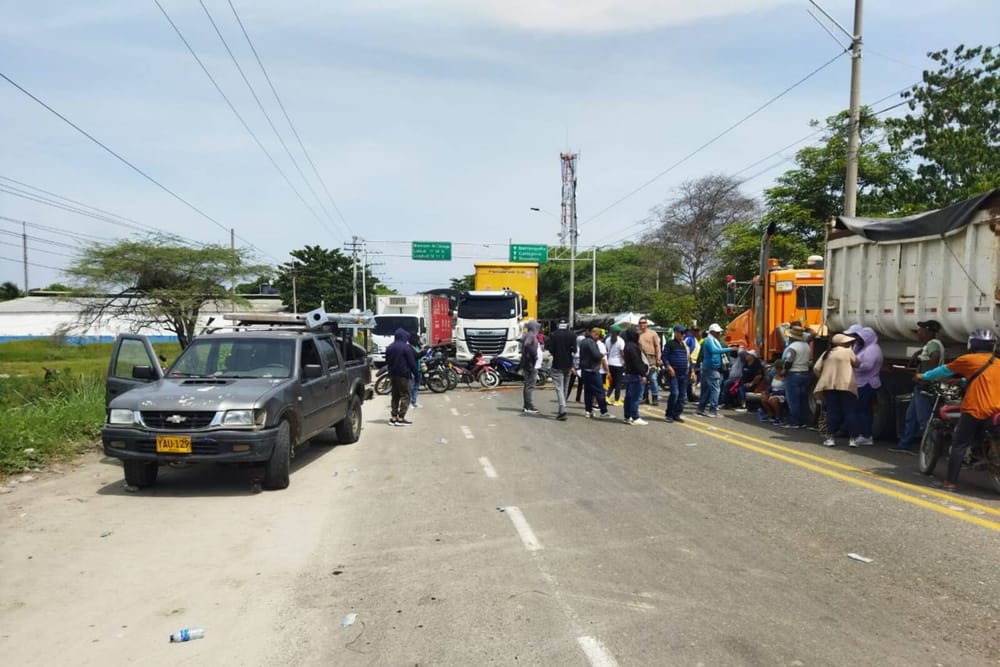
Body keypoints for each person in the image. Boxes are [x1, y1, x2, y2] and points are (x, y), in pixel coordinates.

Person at [917, 329, 1000, 491]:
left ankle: (951, 482)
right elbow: (985, 379)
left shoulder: (968, 360)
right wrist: (962, 380)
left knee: (959, 445)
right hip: (995, 410)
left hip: (975, 410)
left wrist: (923, 376)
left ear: (972, 344)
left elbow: (943, 371)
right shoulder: (997, 362)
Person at [891, 320, 945, 454]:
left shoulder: (933, 345)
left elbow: (935, 357)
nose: (918, 333)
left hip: (925, 386)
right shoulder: (931, 344)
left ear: (928, 332)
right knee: (911, 417)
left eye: (921, 330)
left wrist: (926, 375)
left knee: (924, 419)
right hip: (921, 387)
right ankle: (904, 444)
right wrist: (918, 353)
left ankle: (930, 449)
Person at [812, 333, 860, 447]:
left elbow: (816, 368)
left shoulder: (827, 353)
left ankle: (830, 438)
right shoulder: (848, 352)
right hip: (846, 386)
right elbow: (857, 364)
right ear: (843, 343)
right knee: (850, 412)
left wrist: (824, 376)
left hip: (830, 386)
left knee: (832, 412)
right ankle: (852, 439)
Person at [845, 325, 883, 445]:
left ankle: (865, 435)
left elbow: (867, 366)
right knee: (862, 409)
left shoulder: (872, 349)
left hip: (867, 383)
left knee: (862, 409)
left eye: (858, 336)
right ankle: (863, 434)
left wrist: (854, 365)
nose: (856, 339)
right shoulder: (862, 347)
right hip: (860, 382)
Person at [697, 323, 738, 418]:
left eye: (719, 332)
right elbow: (714, 350)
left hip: (710, 367)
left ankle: (701, 408)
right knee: (716, 389)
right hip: (711, 368)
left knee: (707, 389)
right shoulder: (709, 340)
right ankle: (713, 410)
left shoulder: (713, 340)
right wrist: (730, 349)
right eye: (717, 332)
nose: (719, 334)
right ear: (712, 332)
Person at [781, 323, 812, 429]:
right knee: (803, 399)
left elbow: (789, 361)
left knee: (793, 399)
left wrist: (784, 371)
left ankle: (795, 421)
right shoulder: (806, 346)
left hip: (794, 374)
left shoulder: (793, 347)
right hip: (805, 372)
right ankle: (804, 421)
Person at [545, 318, 576, 421]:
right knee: (565, 388)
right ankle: (562, 408)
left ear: (558, 324)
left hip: (557, 364)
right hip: (568, 364)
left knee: (559, 388)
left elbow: (550, 349)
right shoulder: (572, 335)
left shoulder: (553, 335)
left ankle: (562, 410)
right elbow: (575, 350)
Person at [385, 327, 418, 426]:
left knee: (395, 396)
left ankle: (393, 417)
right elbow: (411, 363)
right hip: (404, 375)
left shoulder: (389, 347)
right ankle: (401, 417)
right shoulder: (406, 348)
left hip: (393, 375)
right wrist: (416, 374)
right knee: (406, 395)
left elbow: (387, 362)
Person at [579, 326, 614, 419]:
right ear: (595, 334)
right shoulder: (591, 342)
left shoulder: (583, 341)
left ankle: (588, 410)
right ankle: (604, 411)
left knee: (588, 392)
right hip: (593, 370)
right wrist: (602, 354)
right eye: (599, 336)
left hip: (585, 370)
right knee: (600, 391)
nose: (599, 338)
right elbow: (596, 355)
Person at [663, 324, 692, 423]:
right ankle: (669, 414)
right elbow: (664, 357)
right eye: (681, 333)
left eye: (684, 333)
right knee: (674, 394)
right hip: (674, 374)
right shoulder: (670, 344)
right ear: (676, 333)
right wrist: (669, 367)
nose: (683, 335)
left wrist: (692, 371)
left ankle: (677, 414)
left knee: (682, 396)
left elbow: (689, 359)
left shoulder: (684, 345)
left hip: (684, 374)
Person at [622, 327, 649, 424]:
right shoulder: (633, 347)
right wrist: (643, 375)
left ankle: (627, 416)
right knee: (635, 397)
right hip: (635, 375)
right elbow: (637, 362)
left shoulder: (627, 345)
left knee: (628, 397)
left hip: (629, 374)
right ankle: (635, 417)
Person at [638, 317, 662, 405]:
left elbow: (657, 346)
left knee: (653, 378)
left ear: (647, 324)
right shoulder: (638, 334)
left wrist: (658, 358)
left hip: (652, 357)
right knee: (643, 379)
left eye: (644, 322)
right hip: (642, 358)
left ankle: (655, 397)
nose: (642, 324)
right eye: (640, 323)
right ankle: (645, 397)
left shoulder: (653, 333)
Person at [519, 319, 542, 414]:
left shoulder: (528, 335)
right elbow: (527, 345)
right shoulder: (531, 335)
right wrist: (535, 355)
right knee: (530, 386)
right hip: (531, 364)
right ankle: (529, 406)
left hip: (529, 363)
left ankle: (527, 405)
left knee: (528, 385)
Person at [605, 325, 626, 406]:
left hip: (609, 363)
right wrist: (625, 360)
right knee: (618, 383)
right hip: (618, 364)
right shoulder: (621, 341)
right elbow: (622, 353)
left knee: (612, 383)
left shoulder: (607, 340)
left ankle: (607, 397)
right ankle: (617, 400)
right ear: (619, 332)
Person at [685, 325, 701, 403]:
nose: (696, 332)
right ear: (691, 330)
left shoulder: (695, 339)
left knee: (691, 381)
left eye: (697, 330)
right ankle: (687, 396)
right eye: (694, 330)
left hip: (695, 362)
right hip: (690, 362)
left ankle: (690, 395)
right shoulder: (689, 339)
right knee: (688, 380)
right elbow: (687, 352)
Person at [408, 333, 423, 408]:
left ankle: (414, 401)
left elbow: (421, 354)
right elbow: (416, 356)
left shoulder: (418, 346)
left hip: (419, 368)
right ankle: (410, 402)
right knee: (411, 386)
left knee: (416, 386)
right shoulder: (410, 348)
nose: (419, 340)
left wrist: (422, 346)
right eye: (418, 339)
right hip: (412, 369)